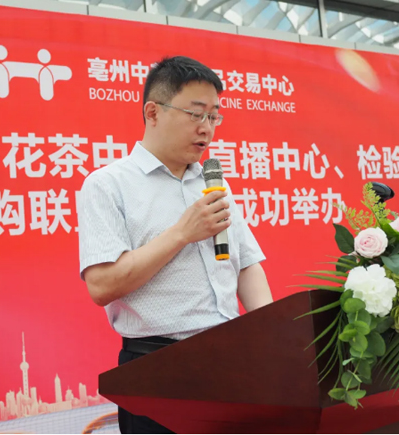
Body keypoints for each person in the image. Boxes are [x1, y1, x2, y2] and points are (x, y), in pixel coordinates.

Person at [77, 56, 273, 434]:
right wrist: (181, 233)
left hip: (231, 363)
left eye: (214, 116)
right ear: (153, 112)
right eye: (196, 114)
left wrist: (274, 335)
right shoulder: (108, 185)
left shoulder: (213, 183)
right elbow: (101, 285)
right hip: (157, 369)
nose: (207, 128)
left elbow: (246, 263)